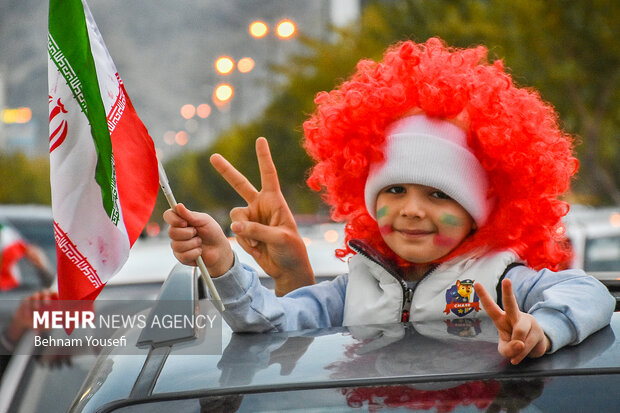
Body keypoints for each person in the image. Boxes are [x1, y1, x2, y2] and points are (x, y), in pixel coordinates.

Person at [164, 38, 615, 365]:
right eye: (395, 190)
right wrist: (223, 265)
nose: (412, 209)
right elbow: (270, 321)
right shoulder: (352, 288)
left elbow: (590, 292)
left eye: (440, 194)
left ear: (478, 210)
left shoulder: (501, 280)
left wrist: (543, 329)